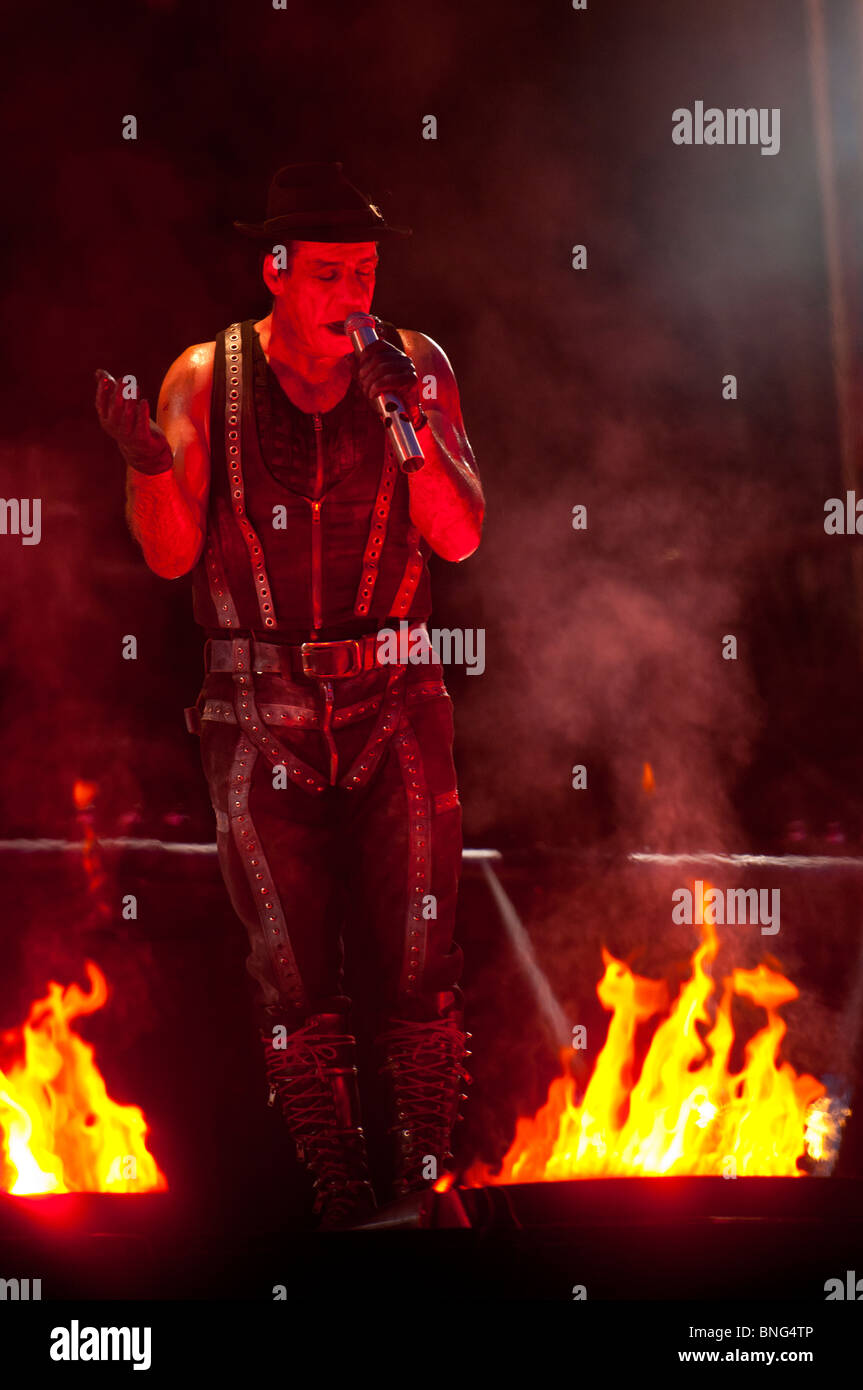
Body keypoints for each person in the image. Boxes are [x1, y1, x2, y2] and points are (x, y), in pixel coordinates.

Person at [95, 162, 484, 1228]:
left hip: (397, 695)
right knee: (293, 982)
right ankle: (341, 1206)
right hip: (254, 708)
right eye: (326, 275)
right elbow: (173, 561)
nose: (352, 295)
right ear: (272, 272)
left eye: (363, 270)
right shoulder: (199, 379)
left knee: (419, 967)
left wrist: (413, 430)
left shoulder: (416, 365)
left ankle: (422, 1194)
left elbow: (458, 531)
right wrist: (145, 467)